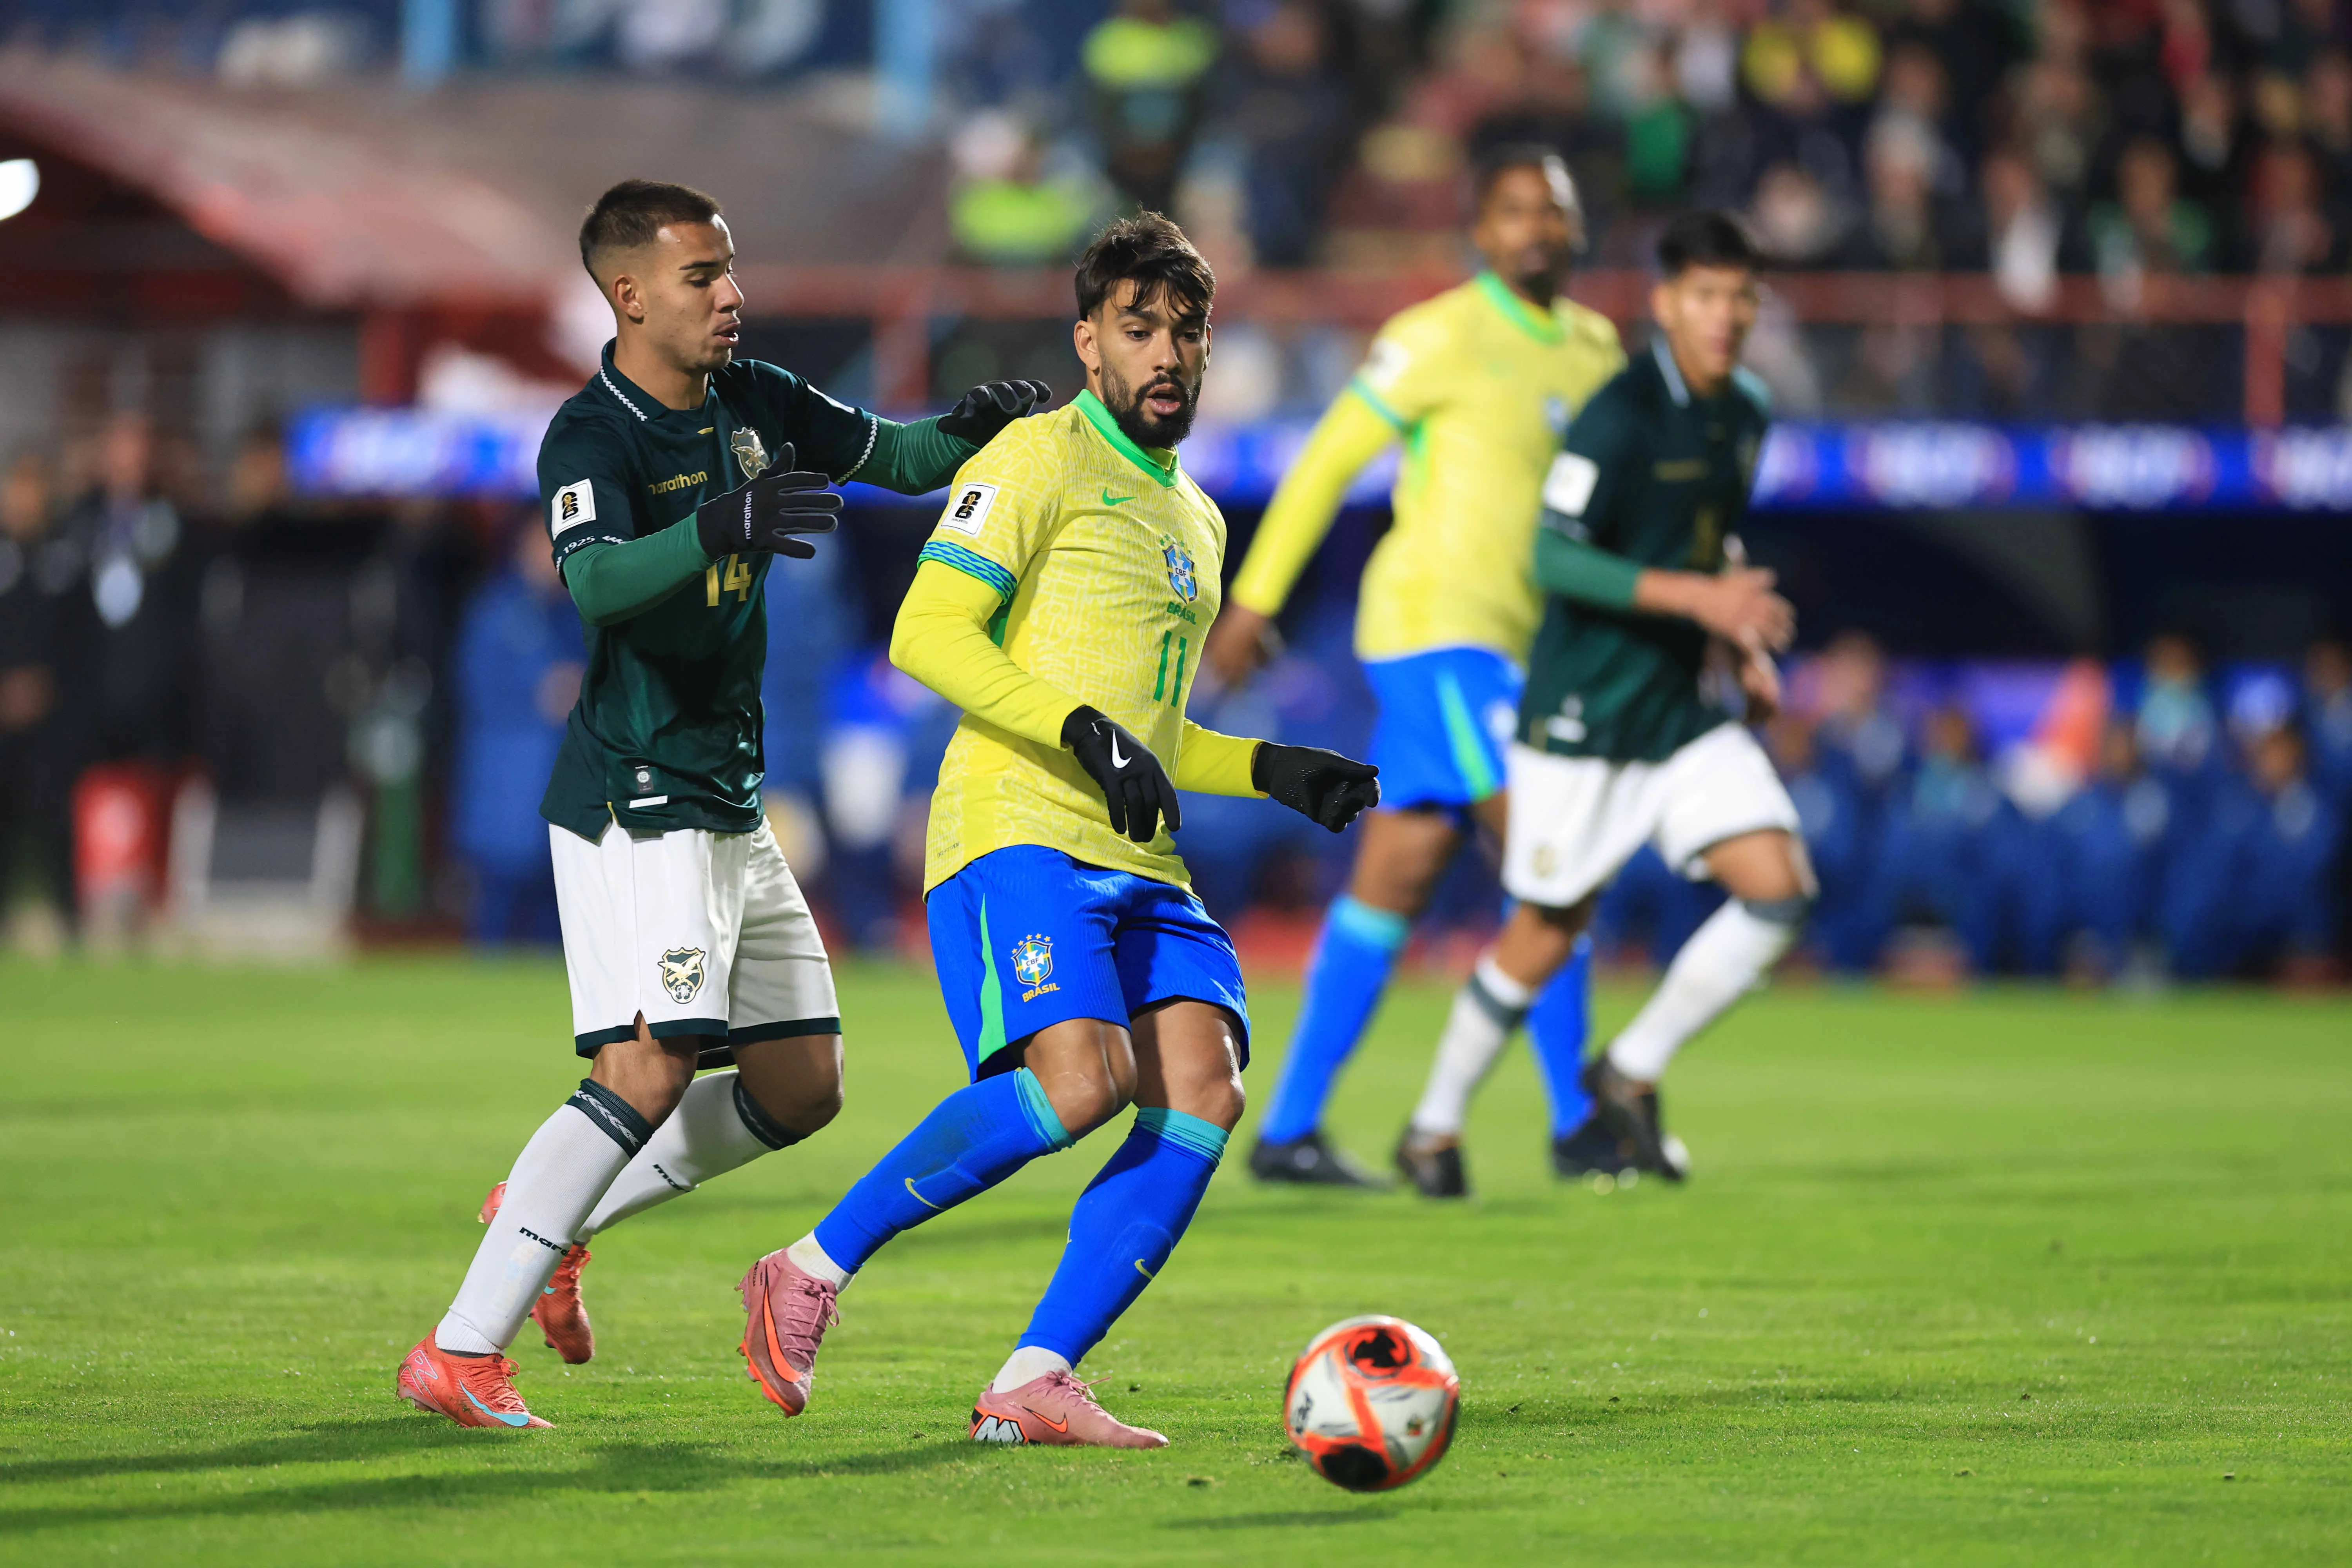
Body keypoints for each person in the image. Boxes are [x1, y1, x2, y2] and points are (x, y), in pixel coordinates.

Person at [396, 178, 1051, 1430]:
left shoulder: (754, 398)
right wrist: (721, 523)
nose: (732, 294)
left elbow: (895, 456)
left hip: (728, 795)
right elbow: (594, 586)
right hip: (639, 797)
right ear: (630, 295)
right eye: (703, 276)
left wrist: (968, 425)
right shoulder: (591, 436)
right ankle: (461, 1348)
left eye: (731, 269)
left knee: (804, 1083)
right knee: (648, 1068)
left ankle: (552, 1212)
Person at [733, 214, 1380, 1449]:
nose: (1168, 353)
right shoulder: (1034, 458)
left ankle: (1034, 1375)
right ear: (1088, 342)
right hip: (1014, 829)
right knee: (1082, 1083)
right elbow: (926, 634)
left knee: (1204, 1087)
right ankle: (810, 1263)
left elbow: (1156, 734)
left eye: (1186, 330)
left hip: (1140, 858)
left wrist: (1271, 767)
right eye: (1139, 329)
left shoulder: (1197, 517)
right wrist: (1081, 730)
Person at [1202, 146, 1626, 1192]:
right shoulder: (1436, 337)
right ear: (1481, 231)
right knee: (1550, 859)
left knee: (1397, 877)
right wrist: (1255, 598)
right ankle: (1578, 1122)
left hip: (1522, 645)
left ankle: (1292, 1129)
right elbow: (1328, 459)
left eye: (1553, 211)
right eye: (1514, 210)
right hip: (1437, 632)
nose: (1535, 228)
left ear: (1576, 230)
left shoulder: (1598, 350)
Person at [1399, 211, 1807, 1187]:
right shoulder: (1620, 413)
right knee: (1546, 932)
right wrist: (1701, 597)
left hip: (1676, 715)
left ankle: (1630, 1068)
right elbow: (1554, 555)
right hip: (1580, 720)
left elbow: (1710, 546)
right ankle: (1432, 1125)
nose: (1726, 314)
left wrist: (1735, 634)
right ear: (1666, 304)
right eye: (1706, 294)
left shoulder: (1745, 408)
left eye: (1741, 296)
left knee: (1779, 886)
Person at [448, 518, 584, 946]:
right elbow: (474, 688)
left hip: (560, 800)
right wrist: (540, 694)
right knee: (495, 920)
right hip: (504, 793)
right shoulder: (494, 610)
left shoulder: (580, 612)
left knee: (558, 927)